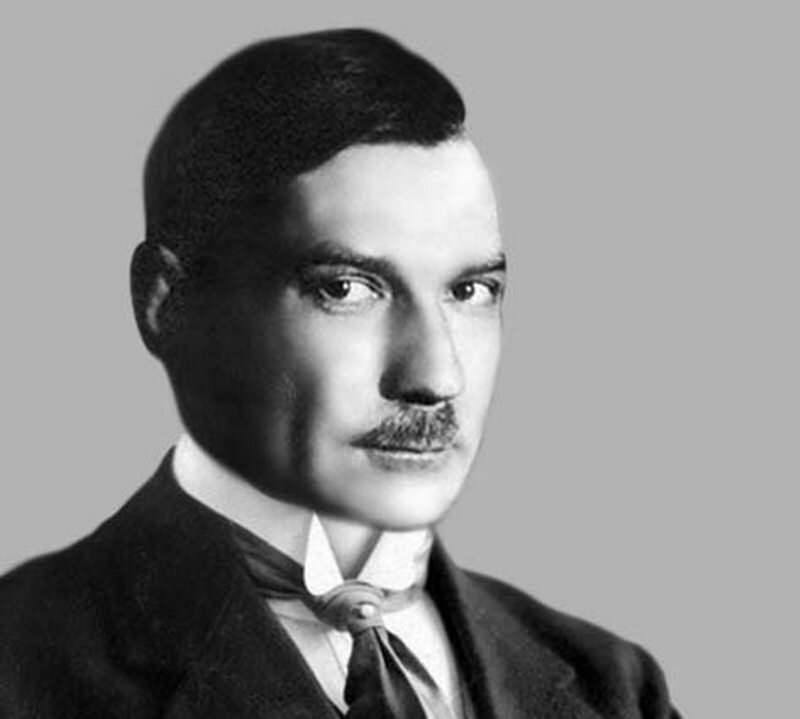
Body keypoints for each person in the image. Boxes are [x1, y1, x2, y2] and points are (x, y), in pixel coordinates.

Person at [0, 29, 681, 718]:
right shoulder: (20, 660)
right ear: (166, 304)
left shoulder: (614, 687)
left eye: (470, 291)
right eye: (346, 288)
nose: (436, 376)